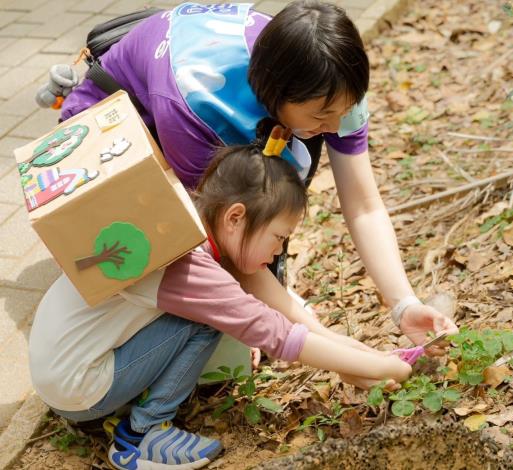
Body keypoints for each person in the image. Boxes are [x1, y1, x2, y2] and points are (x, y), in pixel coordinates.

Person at [59, 1, 458, 363]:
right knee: (179, 250)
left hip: (209, 103)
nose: (336, 126)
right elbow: (223, 237)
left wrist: (403, 303)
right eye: (322, 117)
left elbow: (364, 205)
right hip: (111, 128)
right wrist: (324, 344)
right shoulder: (197, 109)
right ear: (276, 97)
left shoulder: (331, 83)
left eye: (345, 110)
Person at [28, 142, 413, 470]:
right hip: (77, 385)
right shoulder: (188, 263)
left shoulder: (184, 221)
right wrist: (380, 367)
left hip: (64, 367)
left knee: (219, 313)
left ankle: (130, 412)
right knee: (207, 322)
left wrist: (363, 356)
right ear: (235, 217)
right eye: (278, 237)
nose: (279, 250)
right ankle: (142, 433)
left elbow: (289, 314)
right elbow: (276, 334)